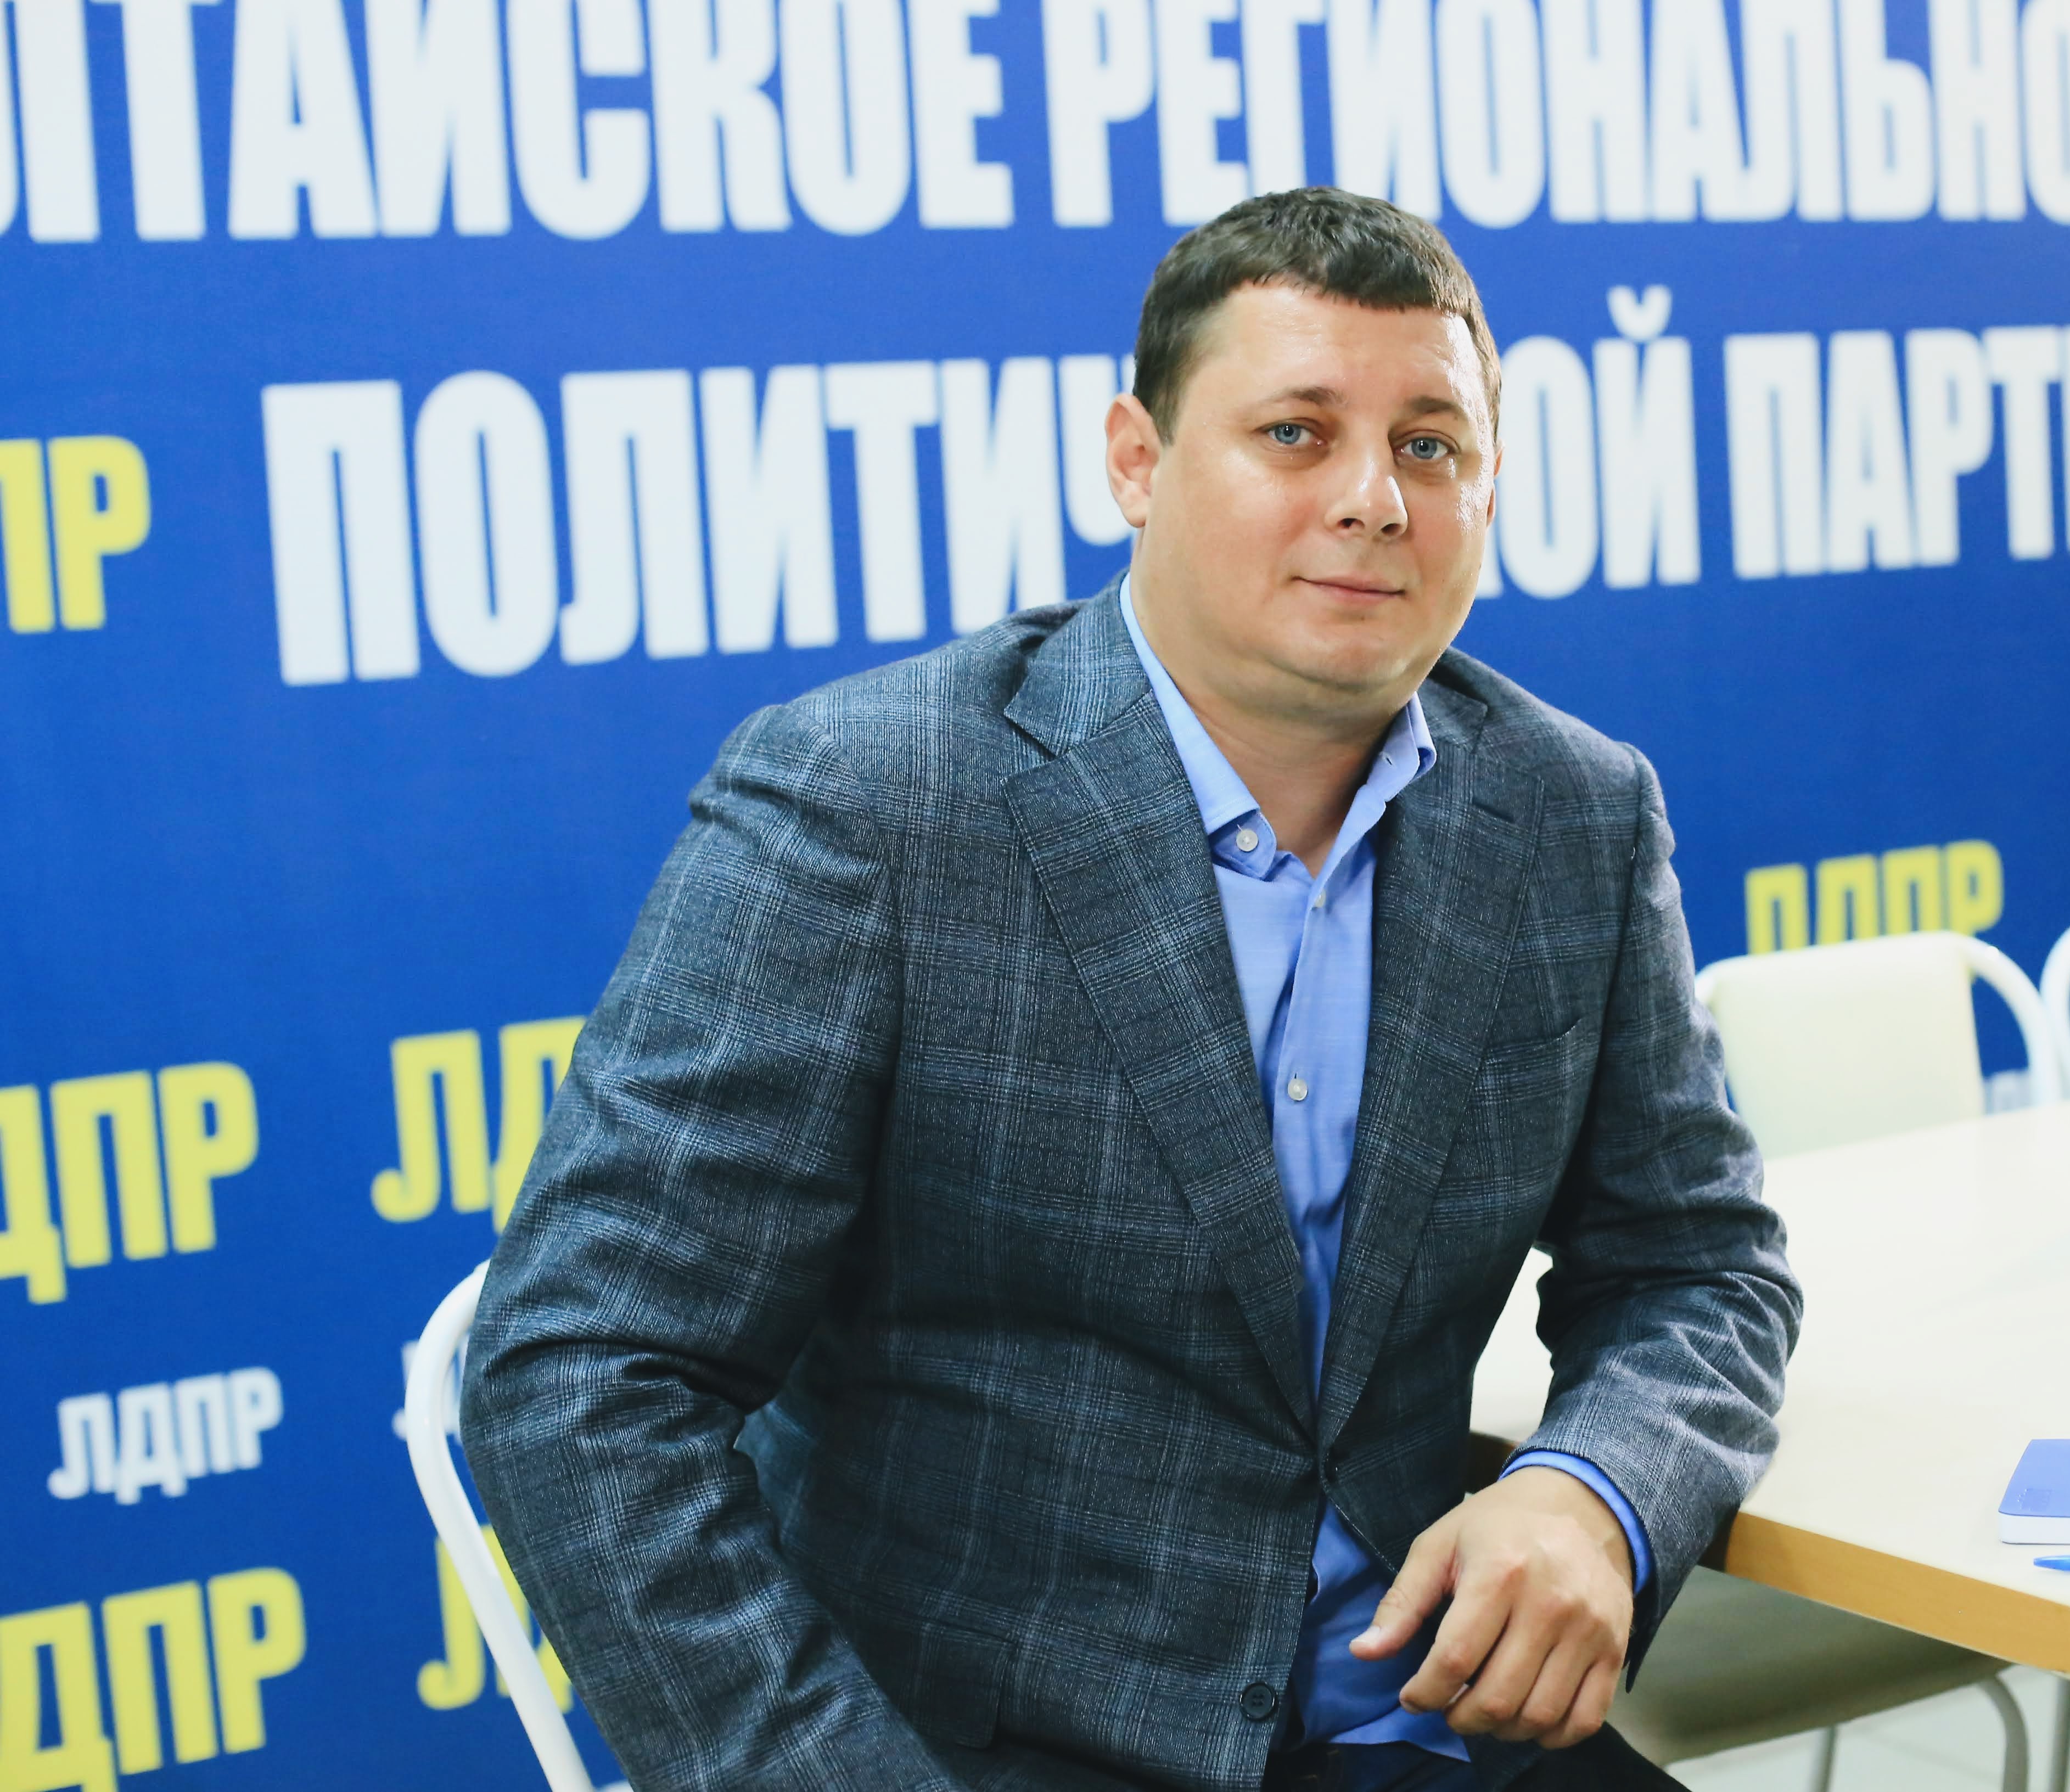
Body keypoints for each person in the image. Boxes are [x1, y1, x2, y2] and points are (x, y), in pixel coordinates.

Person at [462, 187, 1796, 1792]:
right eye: (1296, 432)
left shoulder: (1572, 811)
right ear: (1136, 461)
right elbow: (581, 1375)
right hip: (978, 1754)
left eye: (1431, 445)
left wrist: (1594, 1487)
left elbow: (1697, 1264)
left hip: (1427, 1722)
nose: (1374, 499)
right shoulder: (870, 803)